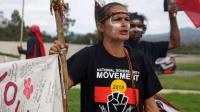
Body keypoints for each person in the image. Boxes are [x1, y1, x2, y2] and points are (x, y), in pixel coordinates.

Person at [50, 2, 162, 112]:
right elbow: (58, 88)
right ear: (101, 26)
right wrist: (56, 62)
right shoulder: (87, 56)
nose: (124, 23)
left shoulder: (140, 59)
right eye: (117, 19)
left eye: (127, 19)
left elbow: (151, 107)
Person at [127, 2, 180, 69]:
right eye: (132, 26)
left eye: (139, 26)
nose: (136, 29)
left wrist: (172, 17)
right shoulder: (117, 46)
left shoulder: (150, 48)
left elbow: (174, 43)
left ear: (143, 29)